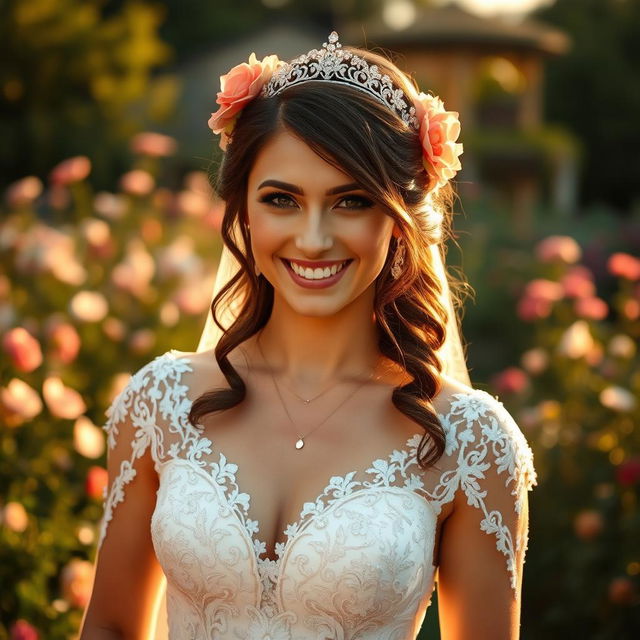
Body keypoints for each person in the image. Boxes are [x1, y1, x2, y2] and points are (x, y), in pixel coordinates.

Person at [80, 31, 537, 640]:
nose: (314, 239)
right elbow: (110, 626)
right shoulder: (161, 402)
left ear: (399, 219)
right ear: (242, 207)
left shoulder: (470, 441)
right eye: (282, 199)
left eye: (350, 201)